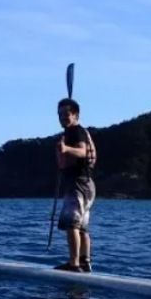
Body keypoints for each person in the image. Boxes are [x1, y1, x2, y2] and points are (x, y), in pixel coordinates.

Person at [54, 98, 97, 273]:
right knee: (82, 227)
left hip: (78, 183)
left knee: (72, 225)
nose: (63, 117)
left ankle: (74, 264)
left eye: (67, 114)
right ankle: (84, 261)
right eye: (60, 114)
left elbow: (82, 151)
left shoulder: (75, 131)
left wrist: (65, 150)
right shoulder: (79, 132)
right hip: (87, 184)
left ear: (76, 115)